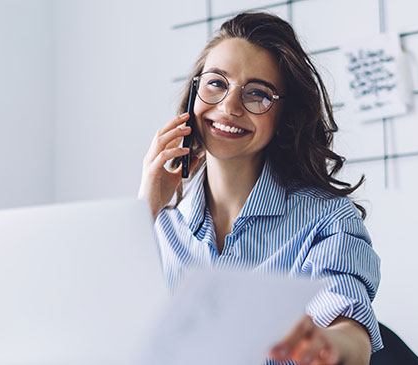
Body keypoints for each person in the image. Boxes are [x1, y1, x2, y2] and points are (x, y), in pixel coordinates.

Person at [138, 12, 381, 365]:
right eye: (216, 83)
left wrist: (324, 344)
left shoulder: (327, 219)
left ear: (284, 118)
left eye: (257, 94)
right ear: (195, 91)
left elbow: (351, 333)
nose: (229, 107)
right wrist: (144, 209)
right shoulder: (158, 225)